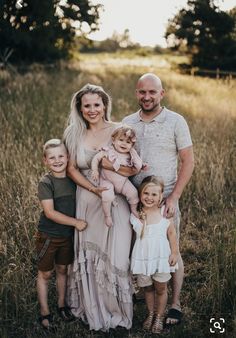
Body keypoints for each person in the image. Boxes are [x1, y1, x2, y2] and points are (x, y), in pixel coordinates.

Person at [122, 73, 194, 326]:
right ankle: (146, 294)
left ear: (161, 94)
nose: (147, 96)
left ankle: (174, 304)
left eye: (152, 92)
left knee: (170, 251)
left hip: (165, 201)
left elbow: (188, 160)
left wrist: (174, 196)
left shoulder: (175, 121)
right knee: (139, 247)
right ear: (136, 93)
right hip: (134, 203)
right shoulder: (128, 122)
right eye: (142, 92)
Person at [63, 84, 133, 331]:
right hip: (87, 198)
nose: (92, 110)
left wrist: (109, 166)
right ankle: (92, 308)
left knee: (117, 254)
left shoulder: (119, 130)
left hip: (116, 199)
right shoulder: (74, 132)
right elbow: (71, 169)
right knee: (90, 255)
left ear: (105, 105)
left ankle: (117, 312)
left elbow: (131, 168)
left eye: (96, 104)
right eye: (87, 105)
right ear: (80, 109)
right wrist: (94, 189)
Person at [36, 139, 87, 331]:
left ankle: (62, 305)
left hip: (67, 236)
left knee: (63, 270)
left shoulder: (73, 179)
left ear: (67, 157)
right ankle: (44, 312)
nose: (57, 160)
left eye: (60, 156)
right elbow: (50, 213)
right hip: (49, 236)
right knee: (45, 273)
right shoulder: (46, 182)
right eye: (52, 157)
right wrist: (76, 223)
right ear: (45, 161)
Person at [130, 176, 179, 333]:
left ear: (161, 197)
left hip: (161, 259)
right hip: (144, 259)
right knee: (148, 289)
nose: (149, 198)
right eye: (146, 193)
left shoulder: (164, 213)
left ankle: (159, 316)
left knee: (161, 289)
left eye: (154, 194)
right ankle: (150, 314)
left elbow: (172, 234)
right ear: (140, 194)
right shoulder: (136, 214)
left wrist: (175, 252)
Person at [91, 125, 143, 226]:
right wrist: (95, 170)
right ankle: (107, 216)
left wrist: (141, 162)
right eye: (121, 140)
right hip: (107, 181)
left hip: (123, 182)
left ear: (132, 145)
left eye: (128, 142)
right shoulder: (108, 151)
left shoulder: (130, 155)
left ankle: (134, 210)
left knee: (133, 193)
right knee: (107, 195)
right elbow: (96, 158)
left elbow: (137, 164)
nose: (124, 144)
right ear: (113, 140)